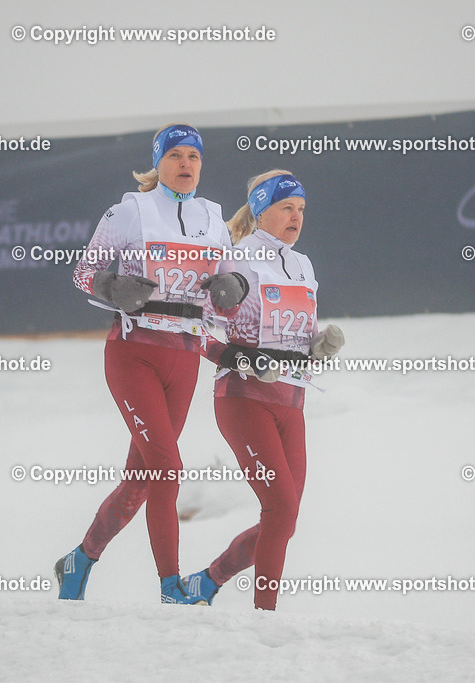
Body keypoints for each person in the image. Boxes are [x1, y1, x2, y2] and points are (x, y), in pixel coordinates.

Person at [54, 124, 239, 604]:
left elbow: (225, 296)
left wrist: (232, 289)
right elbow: (83, 271)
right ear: (158, 163)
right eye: (174, 155)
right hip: (133, 355)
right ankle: (170, 587)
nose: (185, 164)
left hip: (185, 359)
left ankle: (79, 559)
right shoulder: (130, 210)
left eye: (193, 157)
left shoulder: (214, 220)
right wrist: (112, 288)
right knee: (168, 466)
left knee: (140, 482)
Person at [183, 170, 345, 610]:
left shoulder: (303, 265)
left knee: (285, 518)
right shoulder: (237, 260)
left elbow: (297, 337)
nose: (296, 217)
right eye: (286, 208)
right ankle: (265, 620)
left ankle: (205, 581)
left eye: (301, 209)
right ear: (260, 211)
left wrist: (318, 346)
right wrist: (241, 359)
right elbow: (196, 330)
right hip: (244, 400)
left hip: (292, 401)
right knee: (279, 509)